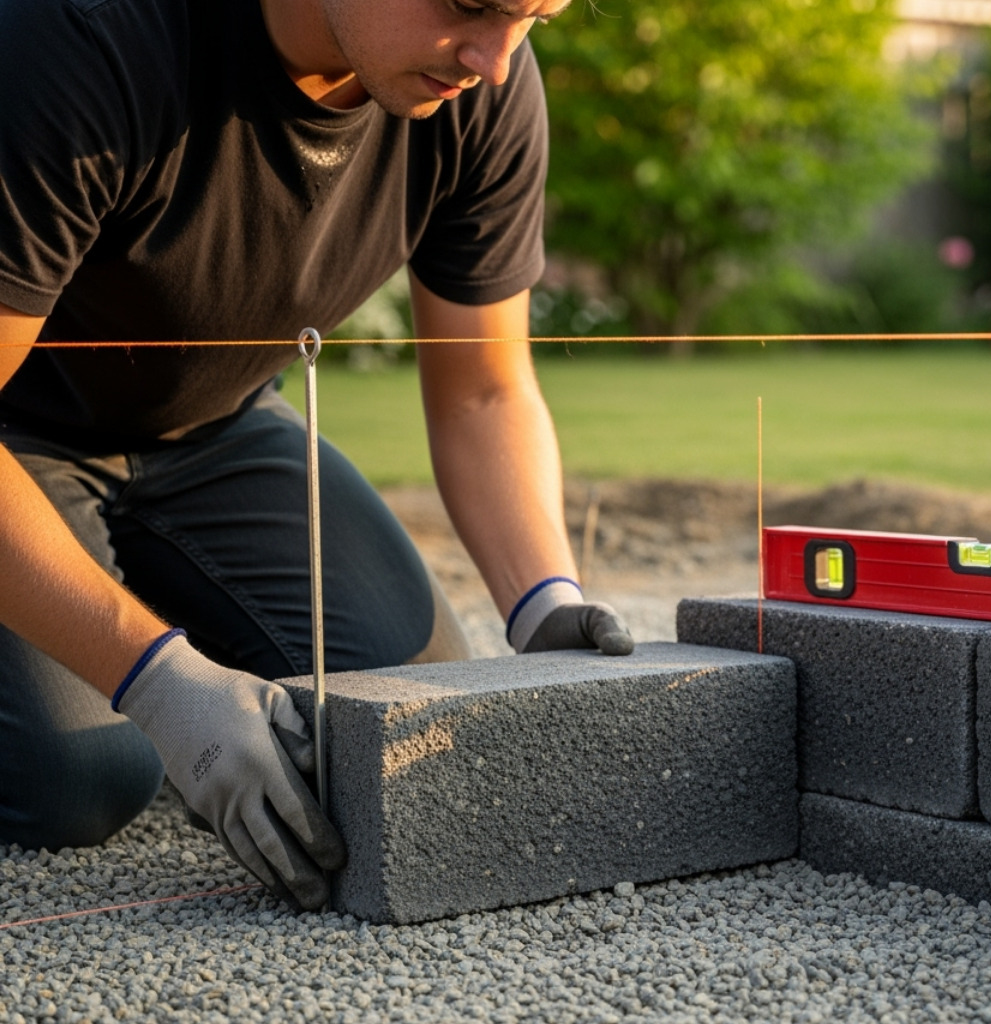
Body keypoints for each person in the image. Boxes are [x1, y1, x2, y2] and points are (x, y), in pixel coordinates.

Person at [0, 0, 634, 912]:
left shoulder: (480, 90)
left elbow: (486, 389)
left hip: (214, 432)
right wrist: (161, 681)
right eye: (470, 5)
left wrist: (546, 604)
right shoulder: (85, 40)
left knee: (411, 722)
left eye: (534, 17)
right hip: (17, 436)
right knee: (85, 778)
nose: (495, 59)